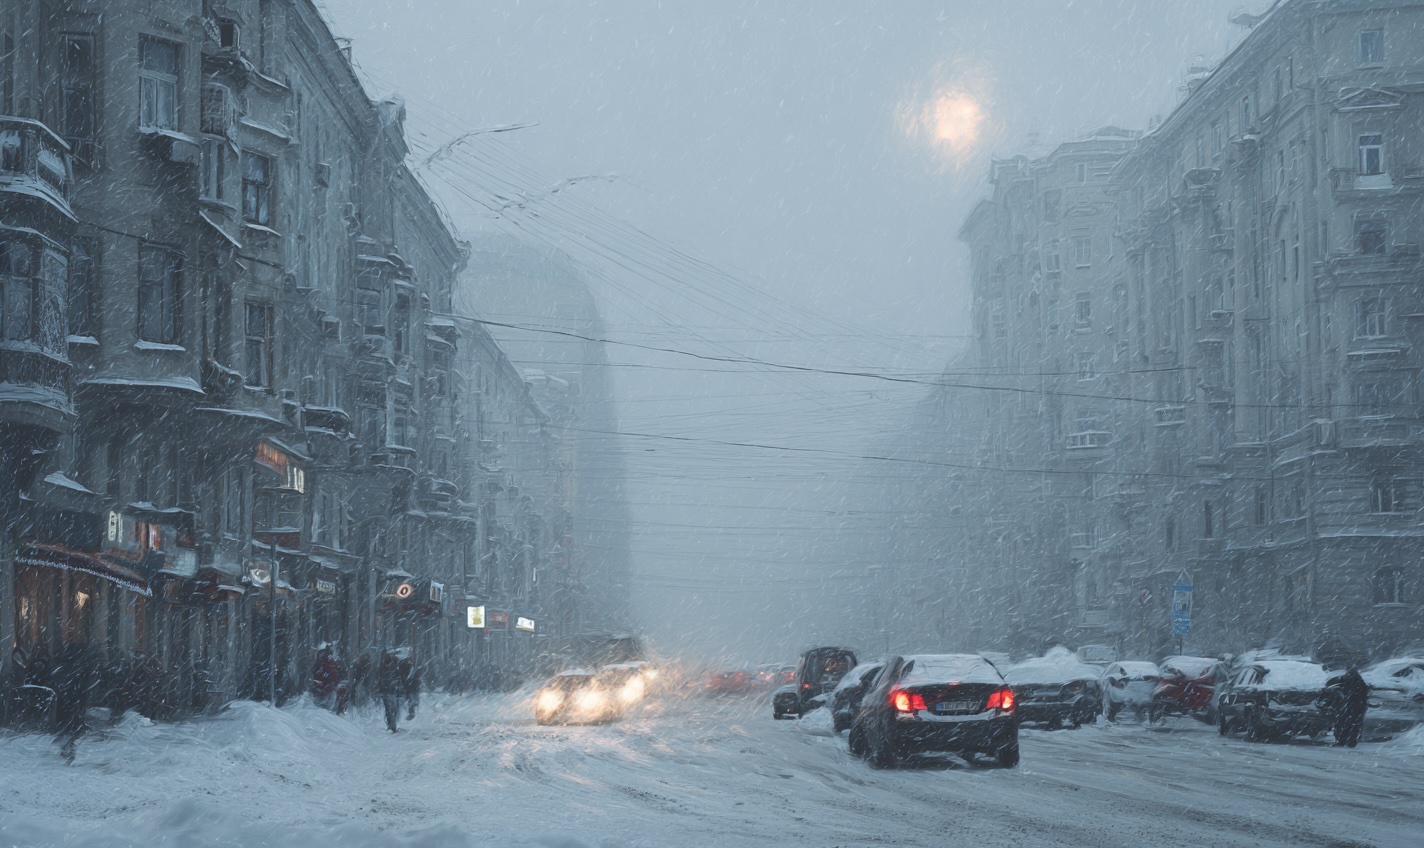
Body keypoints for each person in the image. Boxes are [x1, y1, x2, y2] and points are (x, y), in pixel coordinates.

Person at [1332, 666, 1370, 748]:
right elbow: (1363, 693)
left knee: (1343, 723)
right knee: (1355, 724)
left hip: (1351, 704)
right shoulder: (1359, 680)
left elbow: (1350, 692)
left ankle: (1341, 741)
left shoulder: (1349, 678)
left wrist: (1345, 700)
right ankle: (1351, 742)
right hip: (1359, 705)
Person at [310, 645, 346, 713]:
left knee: (335, 693)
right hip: (322, 686)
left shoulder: (331, 663)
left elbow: (334, 676)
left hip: (329, 685)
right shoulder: (322, 663)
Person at [375, 649, 402, 732]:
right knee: (392, 709)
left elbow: (379, 679)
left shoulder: (383, 667)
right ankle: (392, 725)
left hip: (388, 691)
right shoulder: (393, 666)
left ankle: (391, 724)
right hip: (390, 691)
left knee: (389, 709)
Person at [397, 649, 421, 721]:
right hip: (407, 686)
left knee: (410, 699)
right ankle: (409, 712)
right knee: (409, 699)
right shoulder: (402, 666)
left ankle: (411, 712)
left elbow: (413, 676)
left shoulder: (409, 667)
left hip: (410, 686)